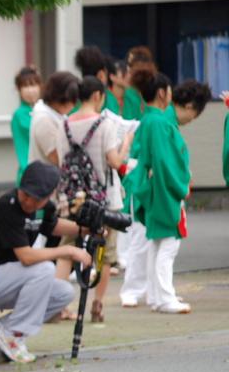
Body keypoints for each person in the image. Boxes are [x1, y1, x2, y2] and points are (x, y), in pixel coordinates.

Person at [0, 161, 91, 363]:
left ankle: (1, 328)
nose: (28, 201)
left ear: (49, 196)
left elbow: (53, 226)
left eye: (36, 198)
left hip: (6, 280)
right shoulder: (7, 205)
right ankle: (12, 334)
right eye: (25, 194)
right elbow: (26, 258)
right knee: (43, 269)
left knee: (64, 292)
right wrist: (69, 250)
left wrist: (84, 229)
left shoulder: (44, 208)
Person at [121, 75, 210, 313]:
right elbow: (164, 162)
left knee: (155, 244)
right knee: (167, 244)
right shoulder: (160, 122)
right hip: (163, 190)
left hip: (153, 188)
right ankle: (162, 297)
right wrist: (181, 185)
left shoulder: (153, 120)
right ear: (162, 93)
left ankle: (157, 294)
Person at [54, 76, 130, 323]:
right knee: (105, 253)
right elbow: (114, 162)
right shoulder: (105, 124)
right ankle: (97, 306)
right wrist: (126, 144)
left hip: (73, 199)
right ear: (97, 95)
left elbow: (61, 161)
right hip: (104, 200)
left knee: (67, 249)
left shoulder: (64, 125)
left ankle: (57, 305)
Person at [28, 71, 79, 167]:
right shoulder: (44, 120)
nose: (73, 106)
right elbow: (58, 158)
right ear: (62, 99)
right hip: (46, 175)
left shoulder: (55, 113)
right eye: (73, 101)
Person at [11, 66, 42, 184]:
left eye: (33, 84)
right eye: (25, 86)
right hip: (28, 173)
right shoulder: (20, 115)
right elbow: (39, 132)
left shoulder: (42, 109)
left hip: (44, 172)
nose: (30, 90)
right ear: (19, 89)